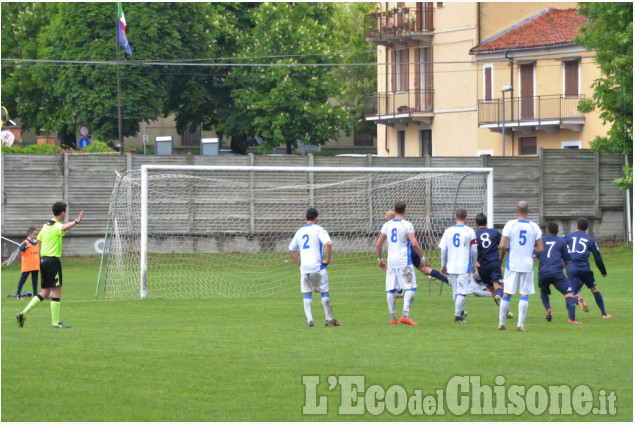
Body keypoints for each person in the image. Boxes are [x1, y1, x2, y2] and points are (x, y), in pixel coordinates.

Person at [16, 201, 83, 328]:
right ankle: (55, 322)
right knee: (57, 291)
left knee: (45, 292)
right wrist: (76, 221)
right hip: (52, 261)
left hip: (44, 261)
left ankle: (22, 314)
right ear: (62, 212)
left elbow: (39, 240)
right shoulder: (57, 225)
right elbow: (63, 228)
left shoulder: (46, 225)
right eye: (65, 211)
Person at [288, 207, 341, 327]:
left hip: (305, 268)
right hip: (318, 267)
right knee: (324, 292)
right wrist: (327, 260)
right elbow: (328, 244)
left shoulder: (300, 231)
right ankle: (329, 319)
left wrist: (300, 263)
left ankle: (310, 320)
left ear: (306, 218)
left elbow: (291, 250)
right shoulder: (318, 230)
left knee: (307, 293)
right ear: (316, 218)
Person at [498, 201, 543, 331]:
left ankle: (501, 323)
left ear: (517, 211)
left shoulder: (510, 225)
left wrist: (509, 248)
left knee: (507, 293)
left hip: (512, 263)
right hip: (527, 265)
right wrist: (530, 249)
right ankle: (520, 325)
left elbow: (501, 245)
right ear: (528, 211)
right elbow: (540, 248)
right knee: (524, 294)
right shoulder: (534, 227)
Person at [376, 201, 424, 325]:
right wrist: (422, 257)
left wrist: (380, 260)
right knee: (411, 287)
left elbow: (378, 243)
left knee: (391, 289)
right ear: (405, 210)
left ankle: (393, 318)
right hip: (404, 261)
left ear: (394, 209)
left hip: (391, 261)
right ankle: (405, 315)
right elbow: (414, 243)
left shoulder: (387, 225)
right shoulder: (407, 225)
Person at [384, 210, 448, 300]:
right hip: (411, 252)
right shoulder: (403, 224)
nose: (386, 221)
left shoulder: (390, 226)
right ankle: (447, 280)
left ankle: (399, 292)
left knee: (396, 270)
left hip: (405, 254)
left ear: (390, 218)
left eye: (386, 219)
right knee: (425, 270)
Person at [563, 217, 611, 319]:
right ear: (586, 228)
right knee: (594, 289)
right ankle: (604, 314)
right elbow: (597, 258)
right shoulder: (590, 240)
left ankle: (578, 300)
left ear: (576, 226)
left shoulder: (567, 237)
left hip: (571, 268)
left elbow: (558, 246)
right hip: (585, 269)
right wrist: (603, 271)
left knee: (571, 293)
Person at [537, 221, 580, 324]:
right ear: (558, 231)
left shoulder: (540, 241)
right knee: (568, 293)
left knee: (543, 291)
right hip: (557, 272)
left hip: (543, 272)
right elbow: (568, 260)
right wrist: (563, 266)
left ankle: (548, 309)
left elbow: (536, 254)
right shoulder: (561, 242)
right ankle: (572, 319)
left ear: (547, 230)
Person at [439, 208, 477, 323]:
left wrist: (443, 265)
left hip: (451, 265)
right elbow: (474, 250)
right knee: (462, 292)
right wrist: (474, 264)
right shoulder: (469, 231)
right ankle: (457, 317)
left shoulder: (448, 231)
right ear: (466, 218)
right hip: (464, 266)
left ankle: (459, 312)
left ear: (455, 217)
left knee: (456, 291)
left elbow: (443, 250)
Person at [15, 227, 40, 300]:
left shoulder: (36, 243)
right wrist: (26, 247)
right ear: (30, 234)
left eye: (36, 234)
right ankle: (18, 294)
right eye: (34, 234)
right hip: (27, 265)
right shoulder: (25, 242)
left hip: (35, 265)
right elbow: (21, 248)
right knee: (22, 280)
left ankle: (35, 295)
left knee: (35, 281)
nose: (36, 235)